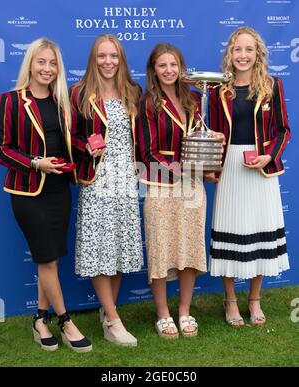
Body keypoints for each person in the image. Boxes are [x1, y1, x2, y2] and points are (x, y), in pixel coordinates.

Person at [0, 38, 92, 352]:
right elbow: (2, 148)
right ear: (30, 64)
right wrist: (35, 163)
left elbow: (72, 141)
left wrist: (87, 148)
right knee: (47, 258)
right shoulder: (11, 101)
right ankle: (66, 320)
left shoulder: (63, 101)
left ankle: (40, 318)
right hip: (28, 191)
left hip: (59, 190)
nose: (47, 69)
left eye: (53, 63)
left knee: (47, 258)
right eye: (41, 62)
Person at [208, 27, 291, 327]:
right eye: (237, 50)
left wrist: (269, 155)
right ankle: (230, 301)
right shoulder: (219, 91)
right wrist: (213, 155)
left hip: (261, 169)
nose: (242, 55)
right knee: (230, 228)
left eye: (248, 50)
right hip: (230, 167)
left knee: (259, 231)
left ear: (258, 54)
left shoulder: (272, 85)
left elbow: (283, 130)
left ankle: (254, 299)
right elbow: (216, 133)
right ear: (230, 54)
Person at [70, 34, 143, 346]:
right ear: (93, 59)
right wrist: (83, 146)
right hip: (98, 179)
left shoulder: (133, 92)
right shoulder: (80, 92)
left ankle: (106, 312)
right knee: (100, 247)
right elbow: (69, 136)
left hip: (127, 179)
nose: (108, 62)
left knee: (121, 246)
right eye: (102, 56)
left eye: (113, 56)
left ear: (121, 59)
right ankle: (113, 319)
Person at [137, 43, 209, 339]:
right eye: (162, 65)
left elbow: (201, 140)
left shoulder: (194, 98)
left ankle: (184, 310)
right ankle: (163, 313)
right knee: (161, 248)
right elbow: (147, 151)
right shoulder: (147, 102)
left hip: (193, 183)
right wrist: (182, 168)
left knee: (190, 246)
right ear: (154, 69)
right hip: (160, 184)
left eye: (173, 65)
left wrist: (211, 143)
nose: (168, 70)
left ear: (181, 68)